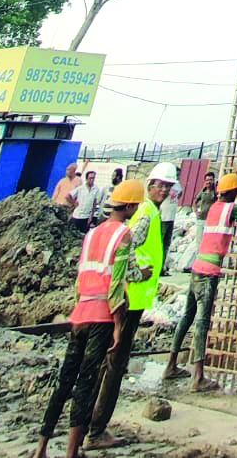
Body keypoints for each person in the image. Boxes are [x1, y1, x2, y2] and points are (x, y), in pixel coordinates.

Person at [32, 179, 147, 458]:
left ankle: (41, 447)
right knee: (85, 383)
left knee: (64, 381)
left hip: (80, 314)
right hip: (101, 319)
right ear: (130, 206)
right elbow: (116, 284)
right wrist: (119, 327)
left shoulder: (92, 234)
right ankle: (72, 451)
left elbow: (83, 277)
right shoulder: (124, 234)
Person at [84, 161, 177, 450]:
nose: (163, 190)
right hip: (129, 300)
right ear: (149, 186)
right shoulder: (147, 212)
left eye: (168, 186)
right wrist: (139, 274)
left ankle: (90, 424)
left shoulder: (150, 210)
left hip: (126, 299)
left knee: (107, 363)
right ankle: (96, 430)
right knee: (114, 364)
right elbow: (126, 248)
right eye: (160, 185)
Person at [164, 172, 237, 392]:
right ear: (233, 191)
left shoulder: (217, 207)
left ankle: (170, 364)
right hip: (209, 273)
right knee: (202, 323)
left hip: (197, 268)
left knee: (187, 318)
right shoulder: (228, 209)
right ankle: (198, 377)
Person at [70, 170, 104, 236]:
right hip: (77, 216)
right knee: (73, 234)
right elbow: (69, 196)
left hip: (87, 217)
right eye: (90, 178)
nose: (92, 180)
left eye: (93, 178)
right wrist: (74, 203)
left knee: (84, 235)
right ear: (86, 179)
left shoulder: (96, 189)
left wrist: (91, 216)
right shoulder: (80, 188)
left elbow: (94, 203)